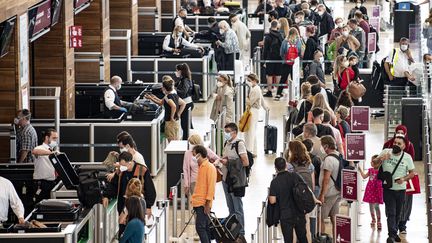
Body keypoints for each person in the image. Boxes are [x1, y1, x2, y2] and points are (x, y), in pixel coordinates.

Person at [104, 151, 156, 235]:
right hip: (123, 207)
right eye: (120, 165)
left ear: (130, 162)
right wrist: (106, 195)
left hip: (137, 208)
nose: (121, 167)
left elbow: (150, 190)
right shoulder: (120, 171)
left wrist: (149, 206)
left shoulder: (142, 170)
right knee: (123, 231)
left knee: (136, 233)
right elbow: (113, 185)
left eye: (124, 165)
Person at [374, 135, 415, 243]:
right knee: (391, 212)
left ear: (404, 146)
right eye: (395, 143)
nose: (396, 145)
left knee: (398, 213)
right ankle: (391, 236)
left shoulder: (407, 157)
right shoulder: (386, 151)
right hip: (388, 188)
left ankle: (394, 232)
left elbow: (412, 173)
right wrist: (381, 159)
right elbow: (374, 165)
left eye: (399, 143)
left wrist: (404, 178)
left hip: (401, 189)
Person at [383, 125, 415, 234]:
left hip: (403, 182)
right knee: (391, 209)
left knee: (404, 204)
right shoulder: (387, 145)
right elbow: (378, 163)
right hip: (389, 182)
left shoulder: (409, 145)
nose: (400, 134)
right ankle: (392, 232)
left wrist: (404, 177)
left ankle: (402, 224)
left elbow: (411, 166)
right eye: (398, 132)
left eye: (402, 133)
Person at [268, 157, 308, 243]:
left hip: (285, 215)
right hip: (299, 212)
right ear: (286, 165)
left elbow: (272, 200)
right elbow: (305, 188)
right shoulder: (295, 175)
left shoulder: (275, 182)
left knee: (288, 240)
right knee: (302, 237)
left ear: (275, 168)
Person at [220, 123, 249, 237]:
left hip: (236, 181)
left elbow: (245, 162)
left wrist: (229, 162)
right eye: (225, 131)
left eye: (228, 131)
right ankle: (233, 230)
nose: (225, 133)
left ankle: (241, 232)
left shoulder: (239, 144)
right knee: (230, 206)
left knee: (237, 208)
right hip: (226, 178)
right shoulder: (226, 143)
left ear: (235, 132)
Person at [145, 76, 186, 142]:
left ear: (163, 88)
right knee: (176, 140)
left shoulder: (168, 97)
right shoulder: (173, 95)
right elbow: (183, 103)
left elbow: (173, 106)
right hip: (176, 121)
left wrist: (172, 117)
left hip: (170, 122)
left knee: (172, 142)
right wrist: (152, 98)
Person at [191, 145, 217, 243]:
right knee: (205, 227)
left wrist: (207, 203)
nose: (193, 158)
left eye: (194, 155)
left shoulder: (209, 168)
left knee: (200, 228)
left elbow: (211, 187)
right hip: (198, 202)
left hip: (203, 203)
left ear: (199, 155)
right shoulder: (201, 167)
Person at [318, 135, 342, 236]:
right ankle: (335, 239)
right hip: (337, 191)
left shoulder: (328, 160)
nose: (321, 148)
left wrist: (322, 195)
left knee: (320, 218)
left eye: (322, 145)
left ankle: (322, 240)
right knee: (334, 217)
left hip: (329, 193)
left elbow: (326, 179)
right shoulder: (339, 155)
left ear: (327, 146)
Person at [245, 73, 269, 156]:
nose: (248, 82)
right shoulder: (256, 88)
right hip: (254, 111)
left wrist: (245, 99)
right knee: (252, 131)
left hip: (253, 111)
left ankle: (250, 151)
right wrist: (266, 108)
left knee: (250, 131)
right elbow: (262, 100)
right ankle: (253, 151)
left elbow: (250, 102)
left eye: (249, 80)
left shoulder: (255, 90)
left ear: (254, 80)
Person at [32, 128, 59, 203]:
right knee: (41, 205)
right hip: (42, 184)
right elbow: (35, 151)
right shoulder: (40, 148)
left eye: (56, 139)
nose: (55, 141)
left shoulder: (52, 150)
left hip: (52, 183)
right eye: (54, 138)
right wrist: (52, 153)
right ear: (47, 137)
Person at [276, 27, 302, 100]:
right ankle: (297, 93)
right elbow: (300, 52)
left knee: (283, 78)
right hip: (295, 63)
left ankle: (278, 93)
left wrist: (285, 59)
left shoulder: (285, 41)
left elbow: (281, 52)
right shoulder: (298, 41)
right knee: (295, 79)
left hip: (286, 63)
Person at [359, 155, 383, 231]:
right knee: (371, 206)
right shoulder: (370, 170)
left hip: (377, 190)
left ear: (378, 163)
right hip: (370, 190)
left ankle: (379, 221)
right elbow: (364, 176)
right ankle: (373, 219)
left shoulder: (381, 171)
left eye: (373, 161)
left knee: (376, 206)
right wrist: (360, 170)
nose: (371, 162)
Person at [263, 20, 284, 97]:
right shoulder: (280, 35)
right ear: (277, 26)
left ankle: (269, 91)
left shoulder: (268, 36)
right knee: (278, 74)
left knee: (269, 75)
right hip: (279, 58)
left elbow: (265, 49)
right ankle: (278, 92)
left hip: (270, 58)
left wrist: (264, 59)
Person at [174, 63, 194, 140]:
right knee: (188, 123)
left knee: (185, 124)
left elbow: (183, 92)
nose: (176, 72)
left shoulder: (185, 80)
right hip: (186, 103)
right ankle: (190, 138)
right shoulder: (182, 79)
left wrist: (175, 89)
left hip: (187, 104)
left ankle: (187, 140)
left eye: (177, 70)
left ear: (181, 71)